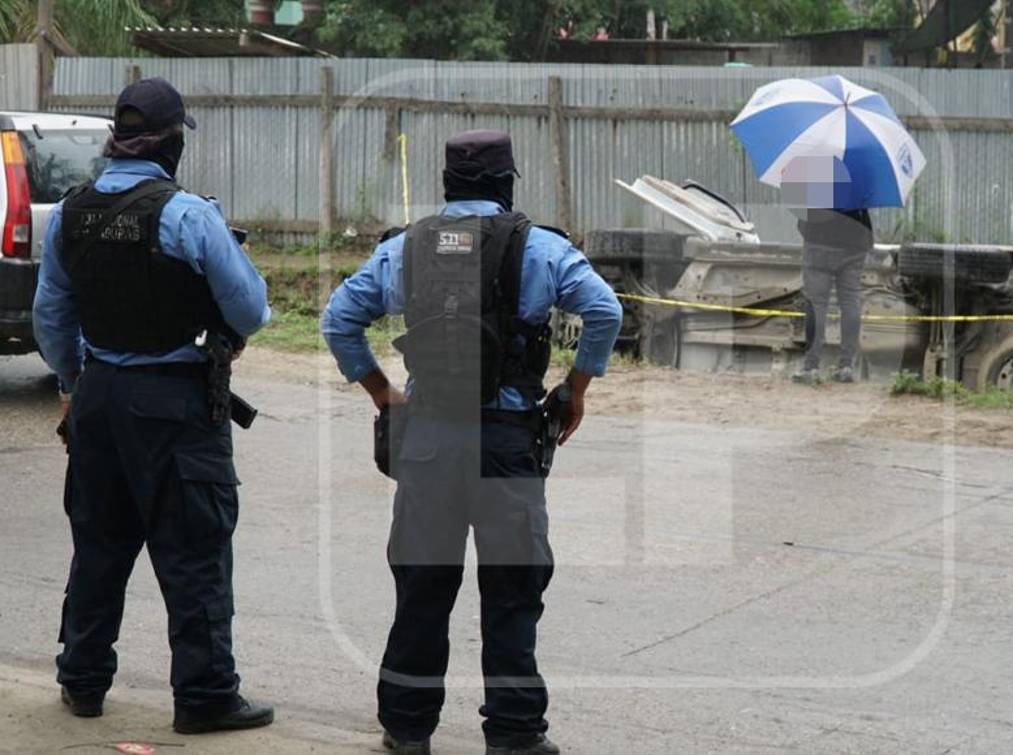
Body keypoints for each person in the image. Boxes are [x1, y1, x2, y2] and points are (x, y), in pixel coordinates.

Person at [321, 129, 622, 755]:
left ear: (447, 184)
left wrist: (383, 393)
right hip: (507, 446)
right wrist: (576, 388)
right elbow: (605, 311)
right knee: (513, 592)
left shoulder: (406, 248)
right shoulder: (538, 247)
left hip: (428, 440)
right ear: (507, 183)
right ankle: (513, 735)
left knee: (423, 590)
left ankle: (407, 730)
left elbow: (338, 318)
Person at [32, 77, 274, 734]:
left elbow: (50, 318)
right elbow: (251, 309)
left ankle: (82, 679)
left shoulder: (72, 212)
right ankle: (204, 694)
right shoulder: (188, 216)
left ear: (116, 139)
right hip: (173, 403)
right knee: (194, 548)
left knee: (99, 544)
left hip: (99, 396)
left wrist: (74, 384)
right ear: (171, 143)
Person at [793, 208, 874, 385]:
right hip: (853, 244)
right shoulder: (859, 181)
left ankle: (811, 367)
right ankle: (846, 367)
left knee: (817, 304)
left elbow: (802, 220)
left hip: (818, 242)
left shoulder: (815, 180)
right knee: (850, 301)